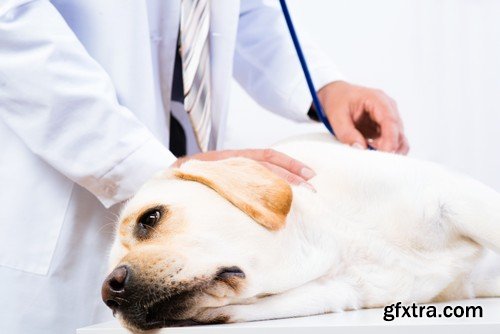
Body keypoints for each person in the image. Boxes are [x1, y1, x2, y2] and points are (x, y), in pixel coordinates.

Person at [0, 1, 408, 333]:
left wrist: (323, 86)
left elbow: (238, 11)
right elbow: (12, 25)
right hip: (63, 196)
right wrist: (151, 171)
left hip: (193, 248)